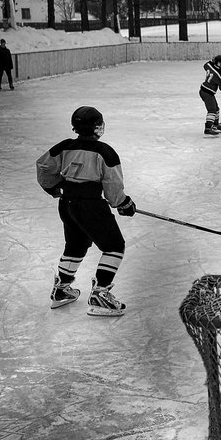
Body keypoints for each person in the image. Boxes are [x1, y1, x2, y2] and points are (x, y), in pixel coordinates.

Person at [35, 106, 136, 316]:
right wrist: (123, 203)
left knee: (75, 245)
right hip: (91, 206)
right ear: (97, 126)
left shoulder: (64, 146)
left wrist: (53, 187)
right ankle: (100, 294)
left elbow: (43, 166)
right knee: (114, 246)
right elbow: (113, 186)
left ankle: (61, 290)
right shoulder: (105, 152)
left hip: (68, 204)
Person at [200, 54, 221, 135]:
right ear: (218, 63)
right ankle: (208, 128)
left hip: (204, 90)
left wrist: (213, 62)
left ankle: (215, 124)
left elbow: (205, 65)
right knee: (212, 110)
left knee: (216, 109)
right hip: (207, 92)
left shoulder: (209, 65)